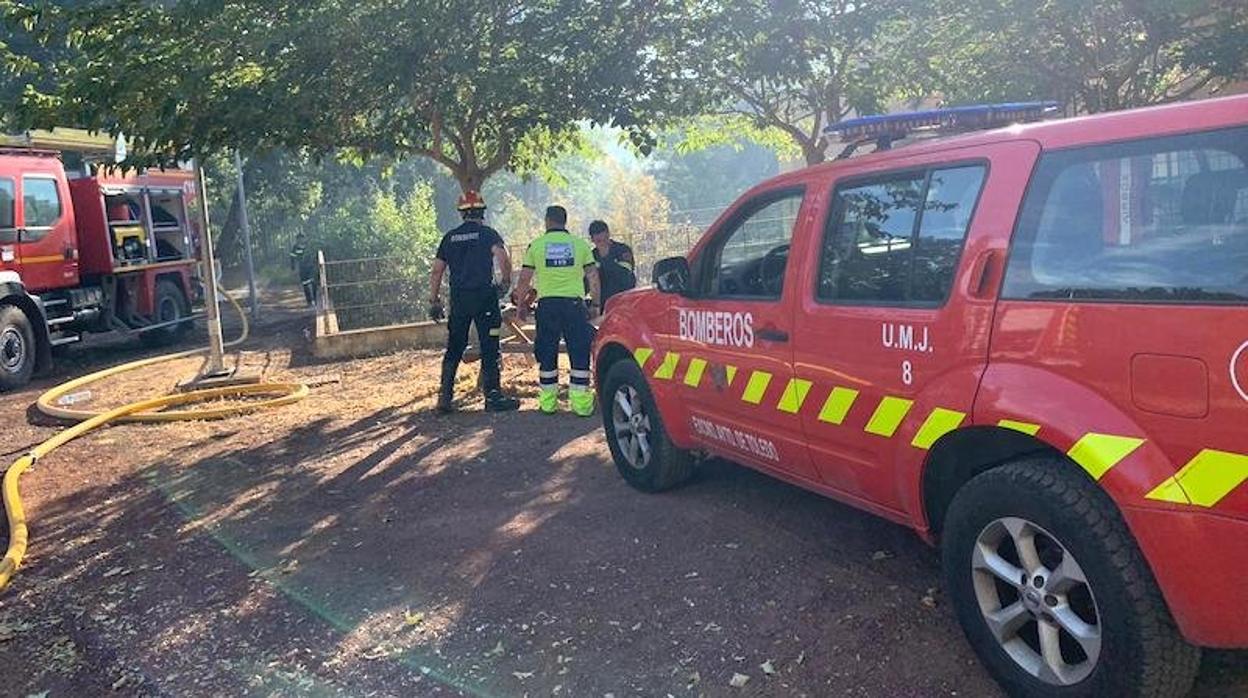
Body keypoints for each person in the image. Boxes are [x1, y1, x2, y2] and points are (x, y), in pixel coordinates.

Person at [428, 190, 521, 414]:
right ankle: (493, 397)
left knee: (454, 346)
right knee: (490, 345)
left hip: (459, 299)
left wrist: (434, 300)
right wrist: (505, 281)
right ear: (482, 212)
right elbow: (503, 258)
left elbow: (437, 271)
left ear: (462, 214)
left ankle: (445, 397)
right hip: (485, 298)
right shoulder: (488, 234)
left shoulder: (449, 238)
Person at [512, 205, 601, 416]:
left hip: (548, 306)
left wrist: (521, 306)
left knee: (547, 352)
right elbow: (593, 276)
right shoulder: (580, 245)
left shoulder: (536, 245)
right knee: (579, 352)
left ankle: (548, 403)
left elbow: (524, 279)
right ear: (565, 221)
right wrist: (596, 304)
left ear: (547, 221)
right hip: (573, 306)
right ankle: (581, 405)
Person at [588, 220, 636, 307]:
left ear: (608, 234)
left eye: (605, 239)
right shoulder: (591, 256)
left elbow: (625, 275)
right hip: (603, 302)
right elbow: (589, 282)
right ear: (592, 240)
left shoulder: (622, 250)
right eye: (599, 241)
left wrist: (605, 258)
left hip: (624, 299)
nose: (603, 243)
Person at [289, 232, 317, 306]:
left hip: (311, 267)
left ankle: (315, 300)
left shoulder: (309, 246)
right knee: (305, 285)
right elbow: (292, 258)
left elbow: (314, 255)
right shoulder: (295, 248)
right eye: (299, 238)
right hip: (302, 269)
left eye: (302, 238)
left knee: (314, 283)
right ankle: (309, 302)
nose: (300, 240)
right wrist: (293, 268)